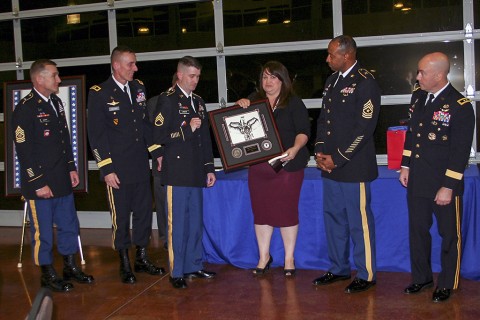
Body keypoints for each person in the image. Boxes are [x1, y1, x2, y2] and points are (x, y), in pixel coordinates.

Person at [11, 59, 94, 292]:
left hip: (62, 179)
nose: (59, 80)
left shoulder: (56, 102)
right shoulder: (25, 108)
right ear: (39, 79)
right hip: (40, 184)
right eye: (55, 75)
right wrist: (37, 183)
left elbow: (63, 139)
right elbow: (23, 150)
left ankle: (70, 266)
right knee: (43, 231)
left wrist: (71, 167)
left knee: (69, 225)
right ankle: (47, 273)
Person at [399, 52, 474, 302]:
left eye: (422, 72)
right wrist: (406, 166)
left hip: (443, 184)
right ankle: (421, 278)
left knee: (449, 235)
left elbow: (460, 152)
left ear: (439, 75)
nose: (418, 77)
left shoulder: (460, 106)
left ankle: (447, 283)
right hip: (418, 180)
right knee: (417, 232)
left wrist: (448, 186)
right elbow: (412, 134)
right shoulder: (419, 97)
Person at [87, 46, 165, 284]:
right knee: (121, 218)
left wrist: (156, 152)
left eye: (135, 63)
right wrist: (106, 168)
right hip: (117, 169)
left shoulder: (138, 87)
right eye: (131, 64)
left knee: (143, 214)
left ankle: (141, 258)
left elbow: (145, 125)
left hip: (140, 164)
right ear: (117, 65)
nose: (135, 68)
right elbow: (96, 135)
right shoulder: (99, 92)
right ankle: (124, 261)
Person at [312, 35, 380, 293]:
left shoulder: (365, 82)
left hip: (353, 167)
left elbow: (365, 129)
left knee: (358, 222)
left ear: (347, 55)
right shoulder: (331, 82)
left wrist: (337, 158)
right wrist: (319, 152)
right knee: (334, 219)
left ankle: (366, 273)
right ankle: (338, 267)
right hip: (329, 167)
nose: (327, 59)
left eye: (331, 55)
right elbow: (323, 121)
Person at [236, 61, 310, 277]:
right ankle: (263, 257)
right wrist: (240, 104)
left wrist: (295, 148)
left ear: (282, 80)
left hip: (288, 165)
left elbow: (303, 131)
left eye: (272, 77)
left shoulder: (294, 103)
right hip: (259, 168)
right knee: (262, 213)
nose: (267, 82)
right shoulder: (254, 100)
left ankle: (289, 258)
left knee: (286, 212)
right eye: (264, 77)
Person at [152, 56, 216, 289]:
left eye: (198, 76)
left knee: (194, 222)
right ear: (179, 75)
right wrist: (186, 129)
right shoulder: (167, 100)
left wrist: (209, 168)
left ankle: (194, 265)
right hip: (177, 173)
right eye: (191, 76)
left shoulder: (198, 101)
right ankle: (176, 271)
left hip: (196, 171)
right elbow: (158, 137)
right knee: (177, 224)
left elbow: (205, 140)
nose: (195, 80)